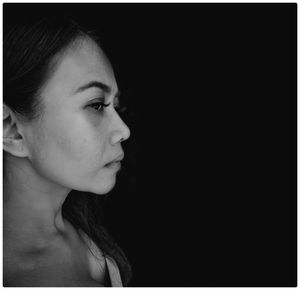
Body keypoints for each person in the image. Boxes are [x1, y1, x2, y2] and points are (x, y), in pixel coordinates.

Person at [3, 14, 132, 286]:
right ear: (11, 130)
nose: (123, 130)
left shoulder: (92, 239)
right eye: (96, 105)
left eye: (115, 106)